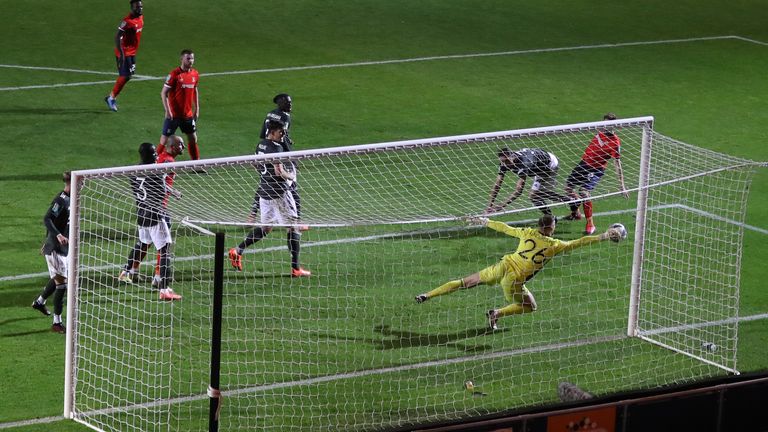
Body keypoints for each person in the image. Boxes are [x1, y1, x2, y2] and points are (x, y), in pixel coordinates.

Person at [415, 215, 621, 330]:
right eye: (555, 226)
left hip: (503, 265)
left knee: (464, 282)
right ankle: (496, 313)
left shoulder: (526, 232)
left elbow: (505, 228)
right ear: (549, 228)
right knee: (530, 306)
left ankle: (427, 295)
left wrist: (485, 221)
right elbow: (579, 242)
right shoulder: (556, 245)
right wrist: (603, 236)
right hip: (513, 281)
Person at [228, 120, 311, 277]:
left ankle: (237, 250)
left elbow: (254, 164)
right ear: (272, 132)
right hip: (279, 193)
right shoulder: (276, 147)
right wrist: (291, 176)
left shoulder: (261, 145)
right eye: (281, 132)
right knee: (293, 227)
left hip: (265, 193)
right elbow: (279, 172)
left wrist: (265, 177)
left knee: (266, 228)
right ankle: (296, 268)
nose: (283, 135)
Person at [118, 142, 182, 301]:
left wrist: (172, 192)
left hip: (141, 214)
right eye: (154, 154)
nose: (156, 156)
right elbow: (160, 194)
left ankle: (127, 271)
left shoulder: (133, 172)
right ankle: (164, 289)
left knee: (142, 243)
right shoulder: (155, 172)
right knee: (165, 249)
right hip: (155, 215)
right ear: (150, 155)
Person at [564, 113, 629, 234]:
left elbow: (617, 164)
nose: (604, 126)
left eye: (607, 124)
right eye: (603, 124)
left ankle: (590, 224)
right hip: (583, 164)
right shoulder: (599, 131)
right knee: (568, 189)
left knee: (584, 192)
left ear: (614, 125)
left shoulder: (615, 142)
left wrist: (622, 186)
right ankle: (575, 213)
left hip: (596, 169)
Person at [257, 93, 307, 230]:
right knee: (292, 186)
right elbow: (282, 136)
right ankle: (296, 222)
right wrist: (290, 158)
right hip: (280, 153)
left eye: (291, 102)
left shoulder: (270, 114)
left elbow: (263, 134)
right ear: (280, 103)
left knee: (265, 181)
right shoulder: (284, 117)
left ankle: (252, 214)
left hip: (266, 147)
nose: (290, 105)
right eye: (287, 102)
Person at [31, 172, 72, 333]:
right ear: (71, 182)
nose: (82, 186)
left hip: (63, 248)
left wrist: (48, 238)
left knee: (58, 279)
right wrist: (57, 236)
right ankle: (57, 323)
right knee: (62, 285)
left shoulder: (72, 199)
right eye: (80, 183)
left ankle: (40, 302)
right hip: (56, 248)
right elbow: (47, 218)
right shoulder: (61, 200)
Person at [485, 147, 570, 217]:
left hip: (549, 165)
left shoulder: (524, 163)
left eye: (507, 161)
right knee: (536, 195)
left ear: (513, 156)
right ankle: (556, 213)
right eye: (502, 162)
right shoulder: (504, 163)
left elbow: (519, 191)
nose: (505, 164)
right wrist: (490, 205)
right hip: (537, 165)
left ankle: (568, 203)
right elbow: (497, 184)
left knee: (534, 195)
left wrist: (501, 206)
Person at [157, 49, 201, 161]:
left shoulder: (195, 74)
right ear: (182, 59)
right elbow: (164, 92)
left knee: (192, 138)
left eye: (192, 58)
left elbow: (195, 89)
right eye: (188, 58)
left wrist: (197, 108)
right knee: (164, 140)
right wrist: (168, 111)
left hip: (187, 115)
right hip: (174, 115)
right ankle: (153, 164)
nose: (191, 61)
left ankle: (196, 164)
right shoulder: (174, 75)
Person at [104, 0, 144, 112]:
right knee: (126, 75)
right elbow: (117, 37)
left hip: (132, 52)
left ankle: (110, 97)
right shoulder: (127, 21)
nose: (140, 9)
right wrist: (121, 54)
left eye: (141, 6)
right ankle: (111, 98)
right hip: (124, 52)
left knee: (128, 75)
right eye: (137, 7)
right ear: (132, 8)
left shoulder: (141, 18)